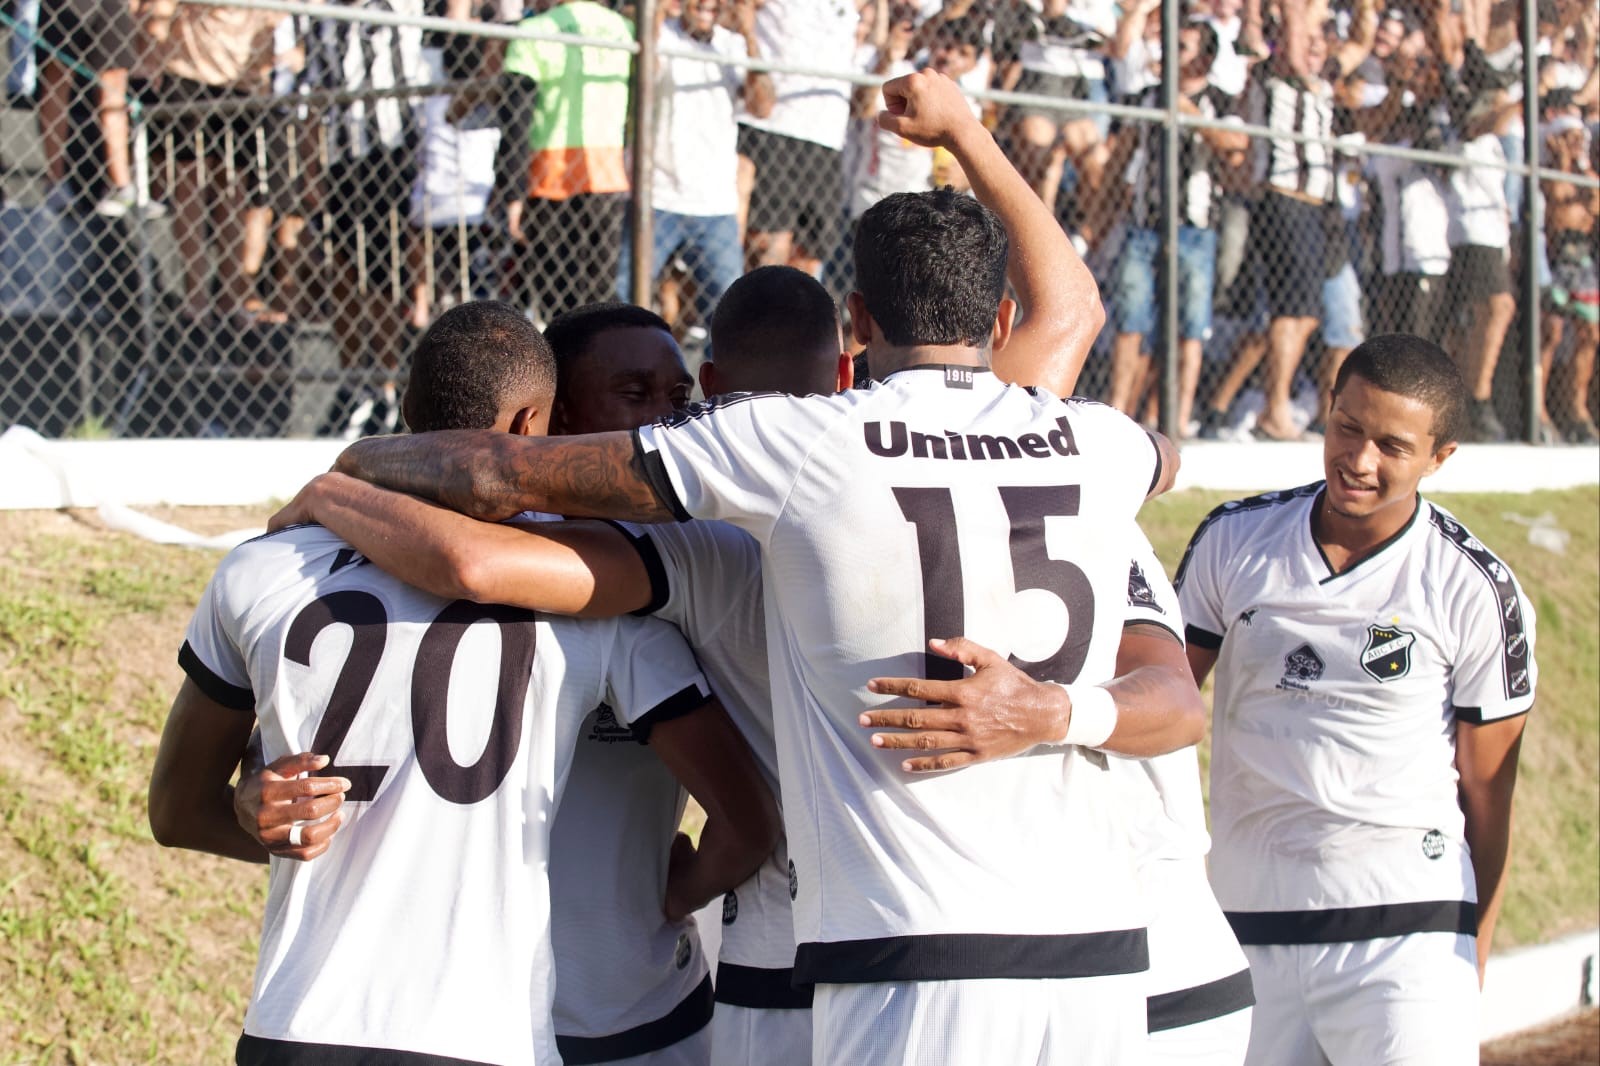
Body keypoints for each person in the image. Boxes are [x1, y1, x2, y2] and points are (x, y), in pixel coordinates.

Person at [320, 69, 1184, 1064]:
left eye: (676, 391)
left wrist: (336, 480)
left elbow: (482, 531)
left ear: (855, 327)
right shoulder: (1093, 443)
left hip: (843, 947)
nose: (665, 411)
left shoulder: (772, 471)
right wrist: (964, 130)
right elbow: (1079, 327)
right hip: (1096, 958)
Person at [149, 300, 780, 1065]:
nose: (662, 429)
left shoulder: (263, 566)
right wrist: (258, 804)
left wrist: (259, 810)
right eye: (637, 398)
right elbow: (747, 818)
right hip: (489, 1031)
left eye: (679, 400)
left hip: (299, 1026)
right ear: (536, 433)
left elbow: (183, 809)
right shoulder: (595, 593)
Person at [1175, 333, 1536, 1065]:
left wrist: (1475, 944)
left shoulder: (1473, 587)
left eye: (1393, 447)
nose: (1360, 461)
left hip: (1408, 935)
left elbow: (1489, 795)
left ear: (1440, 459)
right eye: (1348, 428)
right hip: (1247, 925)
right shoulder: (1233, 541)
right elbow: (1162, 703)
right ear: (1328, 410)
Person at [1105, 18, 1246, 436]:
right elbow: (1121, 155)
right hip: (1144, 226)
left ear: (1202, 57)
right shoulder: (1147, 97)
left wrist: (1183, 108)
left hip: (1195, 230)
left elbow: (1235, 148)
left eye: (1181, 48)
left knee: (1190, 329)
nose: (1169, 55)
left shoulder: (1219, 100)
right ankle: (1117, 414)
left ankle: (1178, 421)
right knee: (1131, 321)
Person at [616, 0, 772, 329]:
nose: (707, 5)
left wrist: (750, 35)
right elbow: (644, 71)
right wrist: (657, 12)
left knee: (732, 313)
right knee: (627, 301)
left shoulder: (732, 44)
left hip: (714, 203)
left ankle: (729, 382)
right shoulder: (663, 36)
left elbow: (762, 106)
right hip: (658, 196)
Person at [497, 0, 634, 320]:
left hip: (551, 179)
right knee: (598, 299)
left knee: (556, 302)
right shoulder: (622, 29)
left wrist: (512, 192)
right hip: (607, 176)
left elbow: (516, 118)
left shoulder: (534, 31)